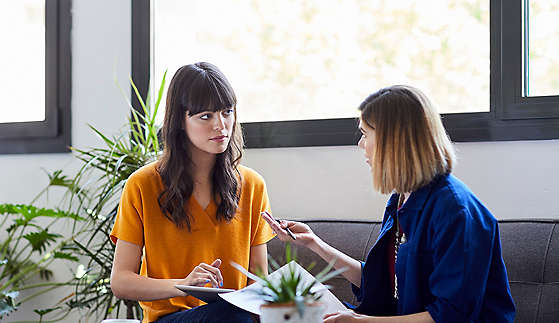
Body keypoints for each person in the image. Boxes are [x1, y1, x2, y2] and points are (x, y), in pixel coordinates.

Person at [263, 85, 516, 323]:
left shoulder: (455, 211)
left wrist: (365, 322)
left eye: (365, 134)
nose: (361, 145)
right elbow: (380, 283)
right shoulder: (401, 198)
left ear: (393, 140)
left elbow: (451, 315)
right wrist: (313, 243)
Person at [110, 62, 275, 323]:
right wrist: (183, 284)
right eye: (205, 116)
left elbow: (259, 281)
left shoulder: (253, 186)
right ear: (180, 121)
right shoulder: (142, 185)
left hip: (234, 316)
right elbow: (120, 281)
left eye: (227, 112)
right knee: (229, 314)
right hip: (171, 319)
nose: (221, 125)